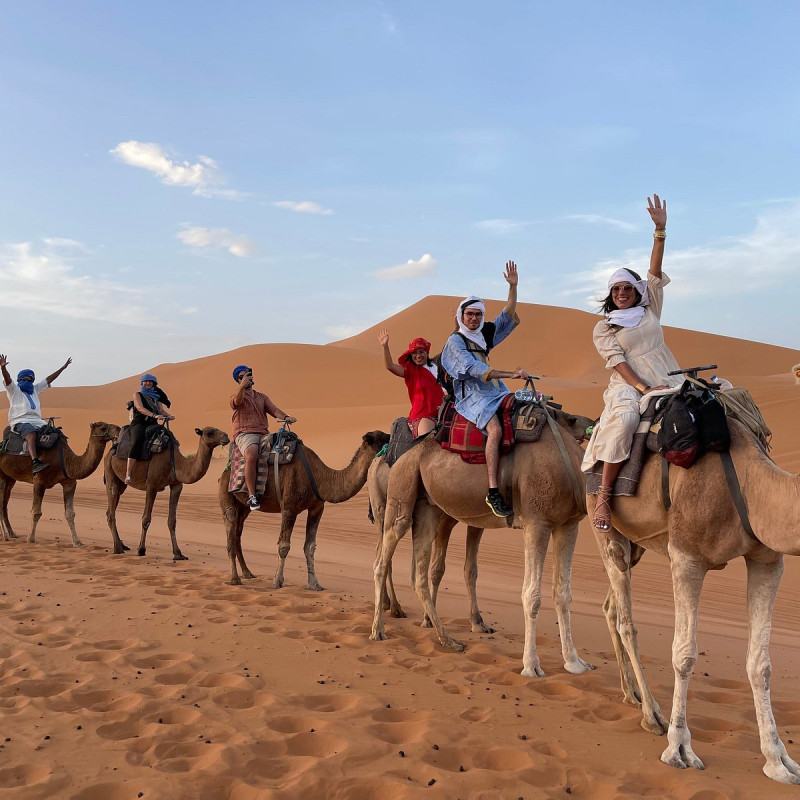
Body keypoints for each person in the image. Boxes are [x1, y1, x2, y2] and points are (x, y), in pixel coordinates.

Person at [581, 194, 683, 531]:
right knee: (624, 422)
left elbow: (653, 271)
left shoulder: (651, 307)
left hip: (668, 373)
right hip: (628, 385)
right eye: (615, 290)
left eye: (627, 287)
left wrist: (660, 230)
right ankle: (605, 498)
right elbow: (617, 363)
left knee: (717, 398)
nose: (622, 293)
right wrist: (643, 388)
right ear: (610, 296)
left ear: (636, 291)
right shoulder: (604, 326)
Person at [440, 261, 528, 518]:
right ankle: (493, 491)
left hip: (494, 388)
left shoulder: (484, 334)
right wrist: (511, 373)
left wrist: (513, 287)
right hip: (472, 393)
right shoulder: (455, 341)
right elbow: (476, 370)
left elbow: (508, 315)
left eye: (478, 314)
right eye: (470, 315)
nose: (475, 318)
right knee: (495, 429)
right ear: (461, 316)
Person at [231, 365, 297, 511]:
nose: (246, 378)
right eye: (241, 377)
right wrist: (242, 386)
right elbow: (236, 401)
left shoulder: (261, 397)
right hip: (245, 434)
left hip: (263, 433)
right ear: (238, 380)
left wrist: (286, 417)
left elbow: (274, 410)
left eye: (247, 375)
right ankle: (252, 495)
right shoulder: (236, 396)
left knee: (289, 445)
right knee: (252, 454)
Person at [0, 354, 72, 473]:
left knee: (57, 433)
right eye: (24, 379)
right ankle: (35, 462)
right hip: (20, 421)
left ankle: (61, 463)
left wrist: (63, 368)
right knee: (31, 435)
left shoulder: (34, 390)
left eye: (29, 379)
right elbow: (8, 380)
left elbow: (48, 379)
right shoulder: (14, 390)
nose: (27, 381)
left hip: (38, 421)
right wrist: (3, 368)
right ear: (20, 380)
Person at [378, 331, 445, 438]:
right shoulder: (410, 370)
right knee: (427, 441)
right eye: (415, 353)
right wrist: (385, 346)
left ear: (427, 353)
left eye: (421, 352)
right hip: (423, 416)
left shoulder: (437, 366)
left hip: (444, 412)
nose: (418, 356)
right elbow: (390, 366)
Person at [125, 373, 175, 484]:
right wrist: (154, 415)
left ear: (153, 384)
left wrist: (168, 416)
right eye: (145, 381)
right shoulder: (137, 394)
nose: (148, 383)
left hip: (153, 424)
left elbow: (161, 411)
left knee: (169, 438)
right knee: (137, 441)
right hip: (139, 423)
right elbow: (140, 408)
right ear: (142, 383)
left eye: (150, 382)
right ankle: (128, 473)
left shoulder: (156, 398)